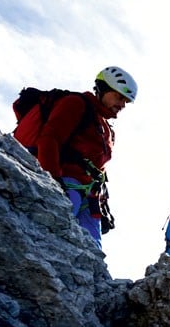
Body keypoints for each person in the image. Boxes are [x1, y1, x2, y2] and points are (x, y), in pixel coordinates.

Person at [20, 66, 137, 246]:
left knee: (94, 252)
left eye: (126, 101)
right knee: (52, 239)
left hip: (91, 197)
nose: (122, 105)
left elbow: (98, 167)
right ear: (103, 89)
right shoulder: (76, 103)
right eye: (119, 97)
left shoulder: (106, 128)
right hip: (66, 184)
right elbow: (50, 139)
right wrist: (52, 181)